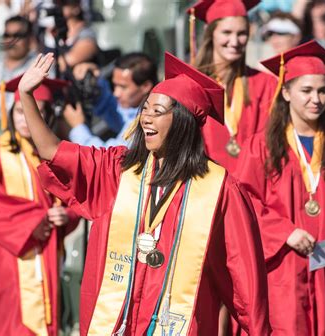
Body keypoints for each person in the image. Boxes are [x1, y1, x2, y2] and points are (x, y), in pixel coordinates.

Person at [18, 51, 270, 335]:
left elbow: (243, 272)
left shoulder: (219, 189)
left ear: (183, 122)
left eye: (158, 112)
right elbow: (53, 151)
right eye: (146, 109)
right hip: (119, 323)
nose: (146, 118)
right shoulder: (118, 170)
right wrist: (26, 95)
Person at [235, 40, 325, 335]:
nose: (316, 99)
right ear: (286, 92)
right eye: (306, 91)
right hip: (281, 270)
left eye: (322, 90)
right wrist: (284, 231)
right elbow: (242, 202)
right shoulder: (261, 146)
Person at [0, 75, 80, 336]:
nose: (26, 118)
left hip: (47, 254)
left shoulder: (58, 157)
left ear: (48, 117)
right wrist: (34, 221)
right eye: (20, 110)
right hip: (6, 256)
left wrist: (67, 216)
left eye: (37, 112)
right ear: (11, 113)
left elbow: (74, 200)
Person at [190, 0, 277, 173]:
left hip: (253, 189)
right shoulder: (192, 84)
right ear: (211, 33)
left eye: (242, 33)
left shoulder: (266, 84)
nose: (235, 41)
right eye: (226, 32)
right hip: (205, 188)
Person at [63, 52, 158, 147]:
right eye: (115, 85)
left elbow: (108, 158)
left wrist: (78, 126)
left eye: (123, 87)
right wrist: (95, 79)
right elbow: (114, 111)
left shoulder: (147, 123)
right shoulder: (135, 109)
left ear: (145, 86)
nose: (116, 93)